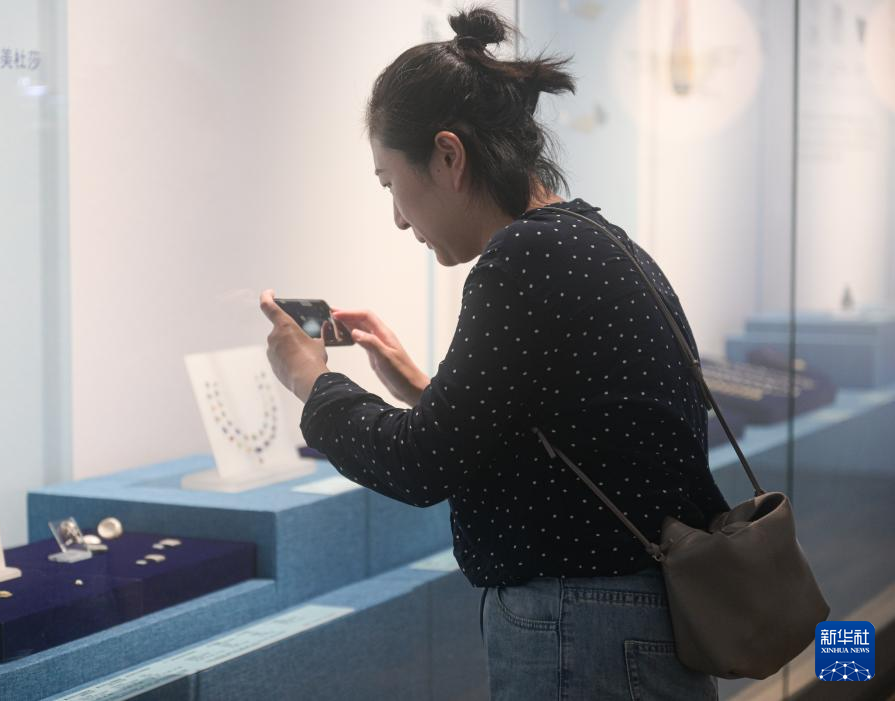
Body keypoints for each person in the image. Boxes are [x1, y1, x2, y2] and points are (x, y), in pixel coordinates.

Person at [260, 6, 725, 699]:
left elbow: (418, 465)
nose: (398, 218)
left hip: (582, 629)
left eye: (390, 184)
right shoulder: (590, 237)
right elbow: (569, 438)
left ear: (448, 156)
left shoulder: (524, 258)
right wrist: (422, 389)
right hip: (629, 620)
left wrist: (311, 382)